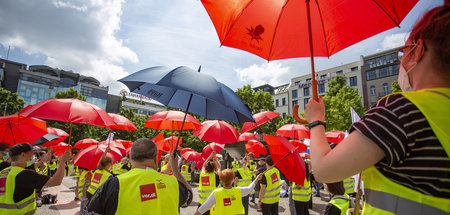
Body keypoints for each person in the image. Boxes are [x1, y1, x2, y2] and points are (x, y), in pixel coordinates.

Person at [304, 3, 450, 214]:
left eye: (404, 52)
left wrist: (316, 121)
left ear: (418, 51)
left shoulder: (401, 111)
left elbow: (325, 170)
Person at [82, 138, 193, 214]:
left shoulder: (113, 184)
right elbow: (188, 198)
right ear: (156, 159)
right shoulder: (173, 183)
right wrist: (175, 170)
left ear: (131, 159)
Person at [0, 143, 71, 214]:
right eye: (31, 153)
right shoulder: (25, 174)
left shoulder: (3, 172)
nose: (33, 156)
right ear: (23, 155)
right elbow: (56, 181)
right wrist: (62, 161)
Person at [194, 169, 263, 215]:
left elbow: (204, 207)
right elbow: (249, 189)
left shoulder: (216, 193)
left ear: (221, 180)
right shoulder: (238, 190)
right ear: (233, 180)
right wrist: (256, 179)